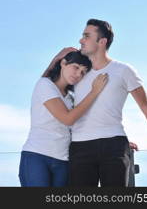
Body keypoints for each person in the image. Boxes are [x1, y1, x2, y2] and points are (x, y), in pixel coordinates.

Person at [44, 19, 147, 187]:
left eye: (86, 36)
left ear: (102, 42)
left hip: (114, 145)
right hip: (79, 147)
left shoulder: (124, 70)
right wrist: (57, 58)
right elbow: (45, 87)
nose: (81, 40)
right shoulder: (77, 72)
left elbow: (146, 107)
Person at [19, 50, 108, 187]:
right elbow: (67, 119)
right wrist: (94, 91)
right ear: (63, 63)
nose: (78, 74)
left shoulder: (72, 98)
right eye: (76, 67)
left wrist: (112, 137)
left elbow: (83, 126)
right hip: (37, 156)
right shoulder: (45, 85)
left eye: (83, 72)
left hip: (64, 161)